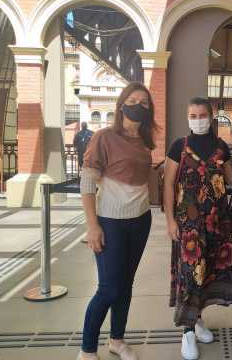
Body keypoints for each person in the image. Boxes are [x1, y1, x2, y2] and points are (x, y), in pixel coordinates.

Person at [77, 82, 157, 360]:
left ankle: (117, 340)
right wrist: (92, 226)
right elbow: (87, 181)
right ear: (121, 105)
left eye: (144, 102)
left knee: (125, 285)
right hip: (111, 223)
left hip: (140, 221)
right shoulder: (104, 137)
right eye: (133, 100)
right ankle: (87, 349)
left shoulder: (145, 142)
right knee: (109, 288)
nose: (138, 106)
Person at [164, 97, 232, 360]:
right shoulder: (179, 146)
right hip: (189, 224)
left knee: (206, 274)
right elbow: (168, 184)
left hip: (217, 223)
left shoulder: (221, 147)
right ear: (188, 117)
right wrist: (170, 220)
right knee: (190, 276)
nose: (198, 120)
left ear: (211, 115)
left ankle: (197, 320)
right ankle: (187, 332)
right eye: (193, 116)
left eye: (202, 115)